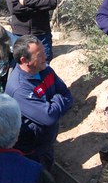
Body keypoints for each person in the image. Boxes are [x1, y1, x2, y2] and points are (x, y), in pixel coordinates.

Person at [6, 34, 73, 170]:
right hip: (29, 152)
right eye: (40, 54)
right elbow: (49, 117)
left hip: (46, 144)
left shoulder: (45, 70)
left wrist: (53, 105)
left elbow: (68, 96)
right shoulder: (20, 88)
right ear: (25, 60)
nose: (46, 57)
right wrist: (56, 101)